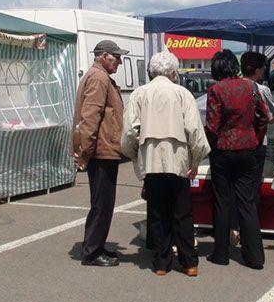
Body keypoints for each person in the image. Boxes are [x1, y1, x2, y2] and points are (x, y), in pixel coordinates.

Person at [121, 51, 210, 276]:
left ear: (152, 72)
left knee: (157, 212)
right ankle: (189, 263)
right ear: (173, 72)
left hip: (151, 159)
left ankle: (162, 263)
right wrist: (196, 160)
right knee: (183, 212)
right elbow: (194, 130)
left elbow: (130, 131)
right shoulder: (182, 93)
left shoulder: (139, 93)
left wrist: (134, 154)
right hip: (178, 159)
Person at [205, 49, 269, 269]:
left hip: (223, 151)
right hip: (248, 149)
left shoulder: (216, 90)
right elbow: (263, 117)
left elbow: (212, 125)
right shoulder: (251, 87)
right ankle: (255, 257)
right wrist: (255, 138)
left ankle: (221, 254)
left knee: (222, 202)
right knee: (247, 203)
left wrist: (211, 144)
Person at [72, 40, 128, 267]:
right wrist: (84, 152)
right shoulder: (98, 78)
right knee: (102, 203)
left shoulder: (98, 76)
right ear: (104, 56)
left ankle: (96, 245)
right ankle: (92, 252)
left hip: (102, 148)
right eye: (116, 57)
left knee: (102, 202)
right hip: (101, 150)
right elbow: (90, 117)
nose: (120, 62)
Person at [228, 51, 274, 246]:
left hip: (235, 144)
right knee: (253, 189)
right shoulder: (262, 90)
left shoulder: (232, 87)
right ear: (257, 70)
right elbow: (270, 117)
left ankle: (233, 227)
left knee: (235, 187)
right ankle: (250, 231)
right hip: (256, 144)